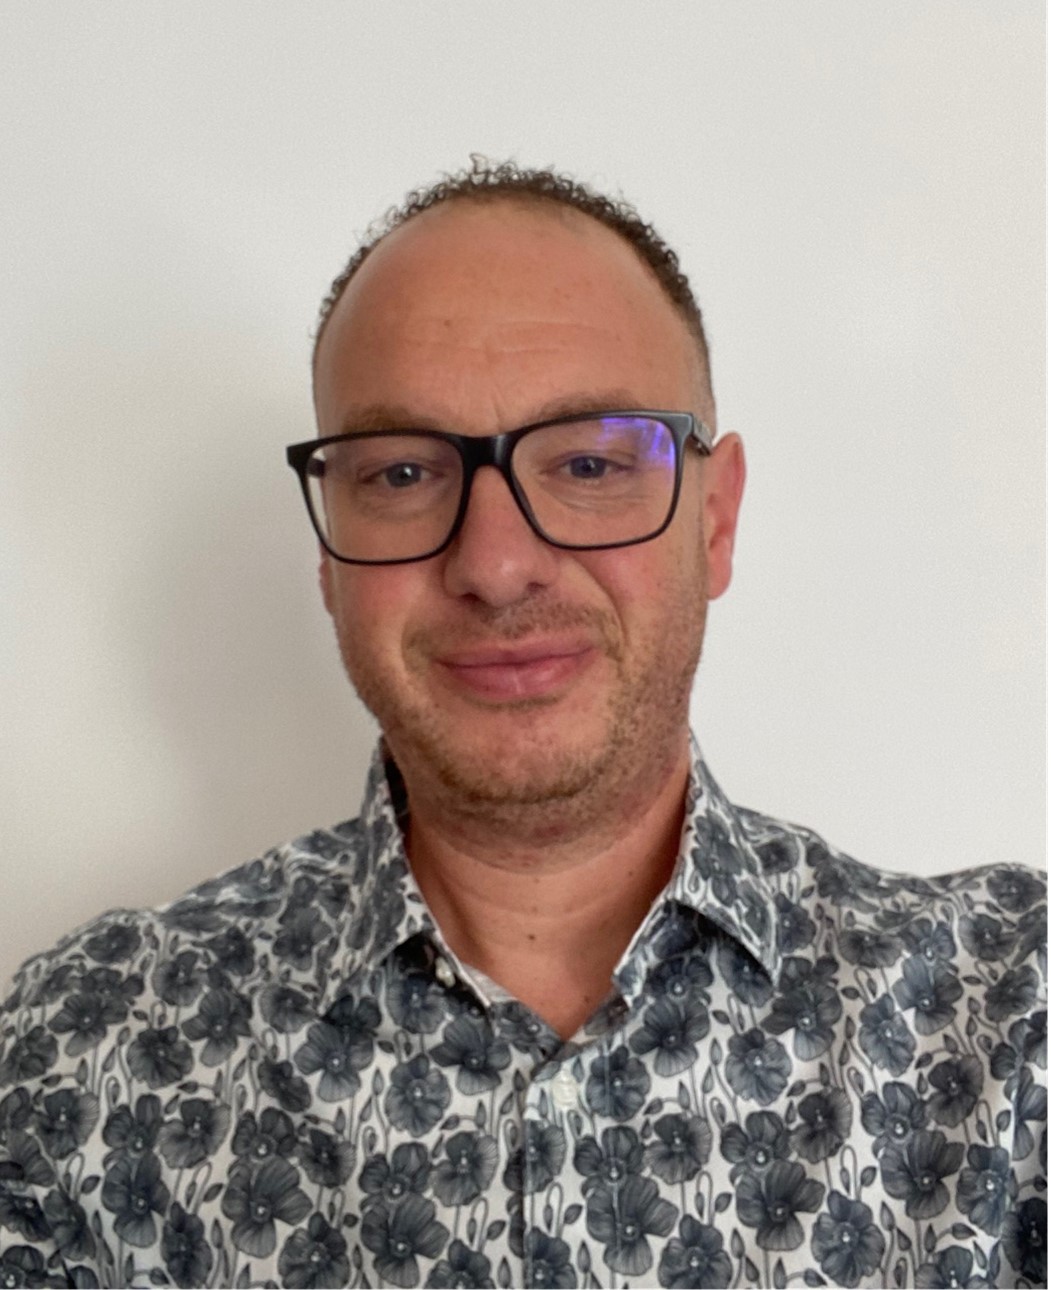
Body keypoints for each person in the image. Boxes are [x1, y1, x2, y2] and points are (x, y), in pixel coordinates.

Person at [0, 161, 1044, 1290]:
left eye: (589, 463)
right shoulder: (83, 1053)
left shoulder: (1009, 1022)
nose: (495, 566)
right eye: (403, 473)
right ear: (327, 550)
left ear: (714, 520)